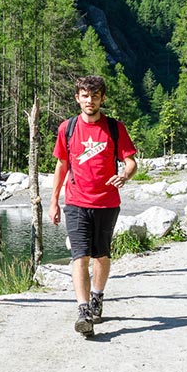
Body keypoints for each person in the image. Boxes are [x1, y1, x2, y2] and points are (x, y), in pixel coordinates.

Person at [48, 75, 138, 337]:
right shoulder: (68, 128)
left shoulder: (114, 128)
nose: (90, 100)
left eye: (95, 96)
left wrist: (125, 175)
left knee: (101, 255)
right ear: (77, 98)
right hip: (75, 202)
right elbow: (61, 165)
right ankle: (83, 309)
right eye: (85, 96)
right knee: (80, 256)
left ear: (102, 98)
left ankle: (97, 296)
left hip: (107, 202)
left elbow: (131, 162)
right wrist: (54, 201)